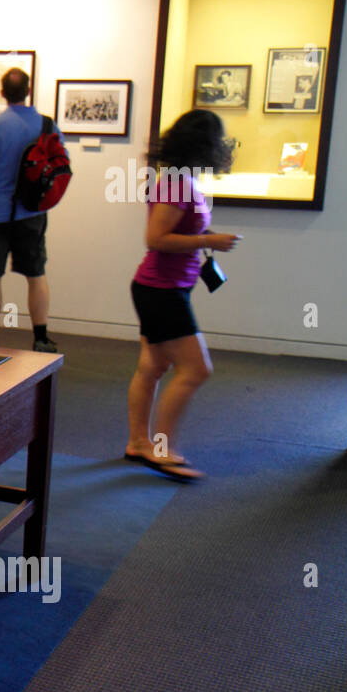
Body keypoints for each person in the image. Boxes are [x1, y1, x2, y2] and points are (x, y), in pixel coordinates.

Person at [125, 109, 240, 482]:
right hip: (162, 291)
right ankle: (161, 449)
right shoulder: (177, 184)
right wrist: (210, 240)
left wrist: (207, 237)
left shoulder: (179, 180)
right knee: (196, 369)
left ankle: (139, 443)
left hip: (162, 288)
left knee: (153, 367)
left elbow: (174, 232)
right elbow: (155, 239)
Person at [0, 68, 60, 353]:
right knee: (36, 273)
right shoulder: (47, 126)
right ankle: (41, 337)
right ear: (29, 91)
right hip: (32, 212)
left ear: (2, 92)